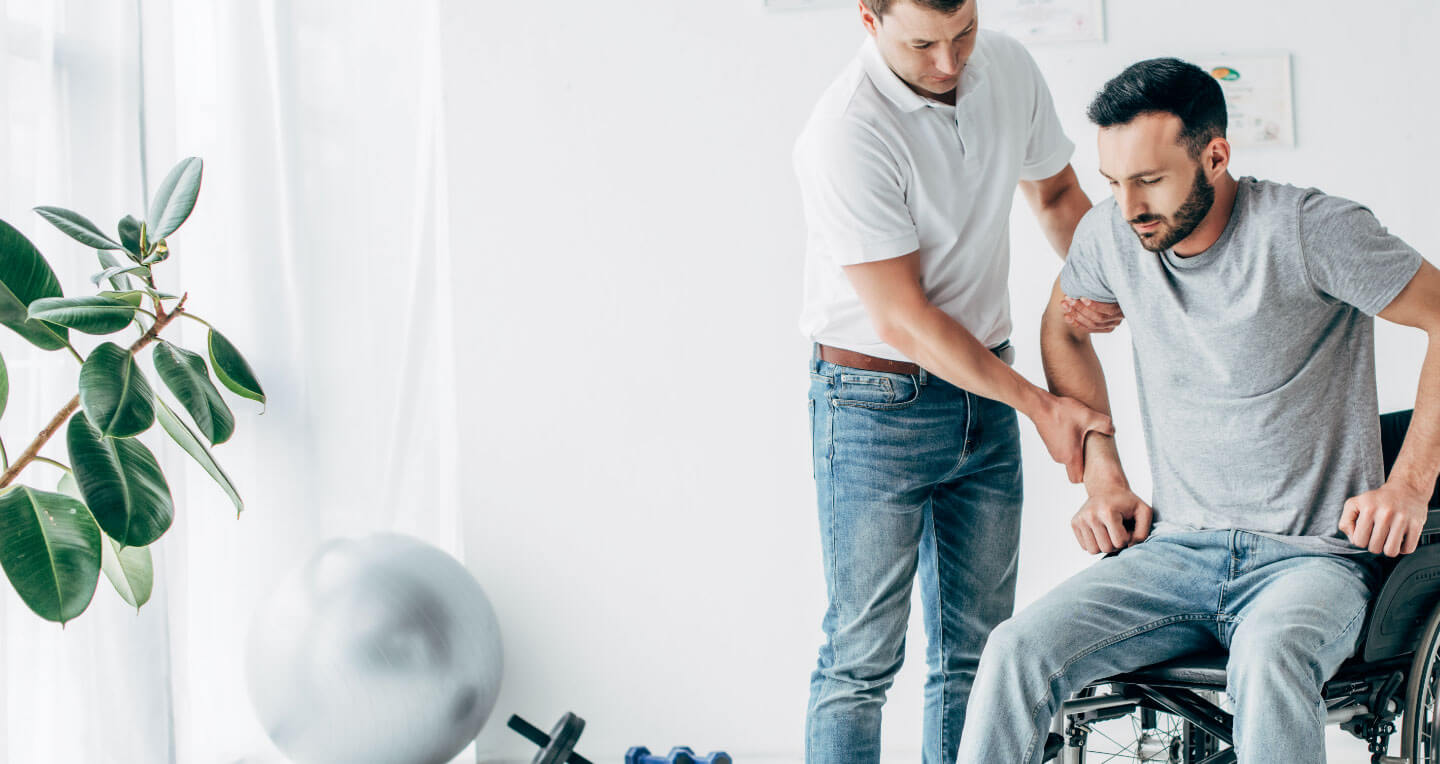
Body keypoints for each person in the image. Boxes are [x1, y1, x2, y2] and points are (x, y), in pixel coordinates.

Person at [957, 57, 1440, 763]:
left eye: (1150, 180)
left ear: (1215, 155)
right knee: (1015, 648)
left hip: (1310, 561)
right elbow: (1060, 326)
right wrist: (1103, 474)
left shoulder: (1310, 230)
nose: (1129, 207)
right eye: (1114, 182)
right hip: (1175, 552)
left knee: (1271, 657)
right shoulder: (1114, 236)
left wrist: (1410, 484)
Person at [793, 1, 1122, 760]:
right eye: (923, 43)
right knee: (860, 660)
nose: (949, 63)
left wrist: (1118, 286)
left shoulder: (1004, 64)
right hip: (875, 404)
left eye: (963, 32)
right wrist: (1038, 403)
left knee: (978, 655)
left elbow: (1057, 197)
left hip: (985, 384)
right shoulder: (846, 130)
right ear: (868, 20)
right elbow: (903, 318)